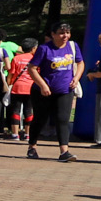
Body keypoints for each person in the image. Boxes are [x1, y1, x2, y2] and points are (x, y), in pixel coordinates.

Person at [27, 21, 85, 162]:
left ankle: (64, 152)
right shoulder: (44, 49)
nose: (65, 36)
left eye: (67, 33)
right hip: (43, 91)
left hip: (65, 90)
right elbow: (32, 68)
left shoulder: (73, 46)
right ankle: (32, 146)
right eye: (61, 33)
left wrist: (76, 78)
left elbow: (80, 62)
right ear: (53, 34)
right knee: (40, 119)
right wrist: (42, 85)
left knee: (62, 120)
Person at [3, 38, 38, 144]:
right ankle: (28, 134)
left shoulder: (16, 58)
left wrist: (9, 85)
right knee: (29, 111)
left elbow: (11, 74)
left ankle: (15, 134)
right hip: (30, 87)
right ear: (33, 48)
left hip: (17, 88)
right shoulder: (35, 59)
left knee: (15, 110)